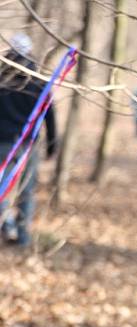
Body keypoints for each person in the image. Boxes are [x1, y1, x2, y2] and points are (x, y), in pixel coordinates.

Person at [0, 33, 57, 247]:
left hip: (5, 144)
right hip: (27, 147)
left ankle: (8, 228)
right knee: (26, 191)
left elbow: (48, 112)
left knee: (2, 188)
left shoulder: (2, 80)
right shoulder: (39, 82)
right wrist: (52, 145)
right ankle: (21, 236)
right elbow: (50, 116)